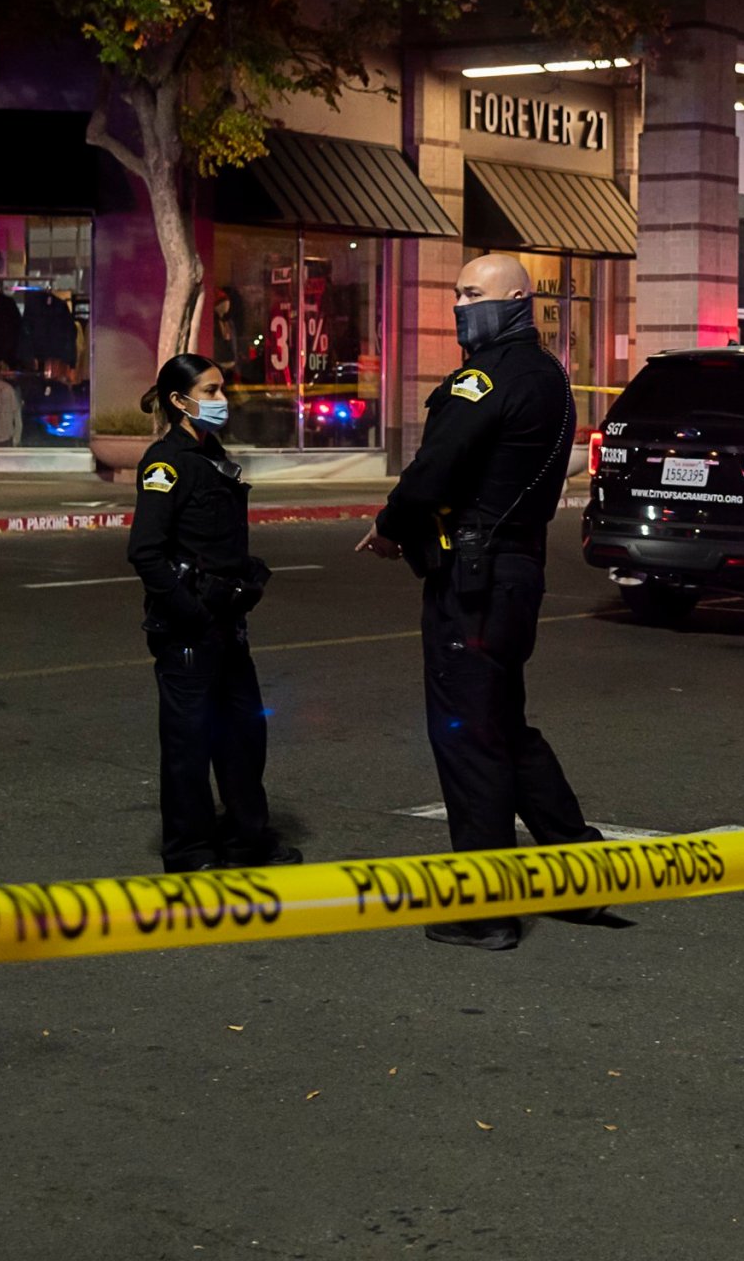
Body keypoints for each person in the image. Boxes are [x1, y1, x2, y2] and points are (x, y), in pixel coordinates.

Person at [356, 254, 617, 951]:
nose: (459, 305)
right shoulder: (552, 380)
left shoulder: (486, 379)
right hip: (513, 574)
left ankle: (484, 908)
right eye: (457, 292)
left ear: (517, 300)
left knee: (469, 738)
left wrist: (390, 526)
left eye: (472, 294)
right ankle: (581, 873)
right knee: (503, 725)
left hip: (471, 581)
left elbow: (432, 471)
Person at [126, 354, 299, 873]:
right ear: (180, 402)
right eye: (212, 391)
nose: (223, 401)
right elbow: (145, 552)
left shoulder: (212, 454)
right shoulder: (165, 463)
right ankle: (190, 852)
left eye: (223, 390)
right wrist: (192, 612)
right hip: (188, 628)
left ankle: (247, 838)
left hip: (227, 623)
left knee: (245, 735)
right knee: (188, 745)